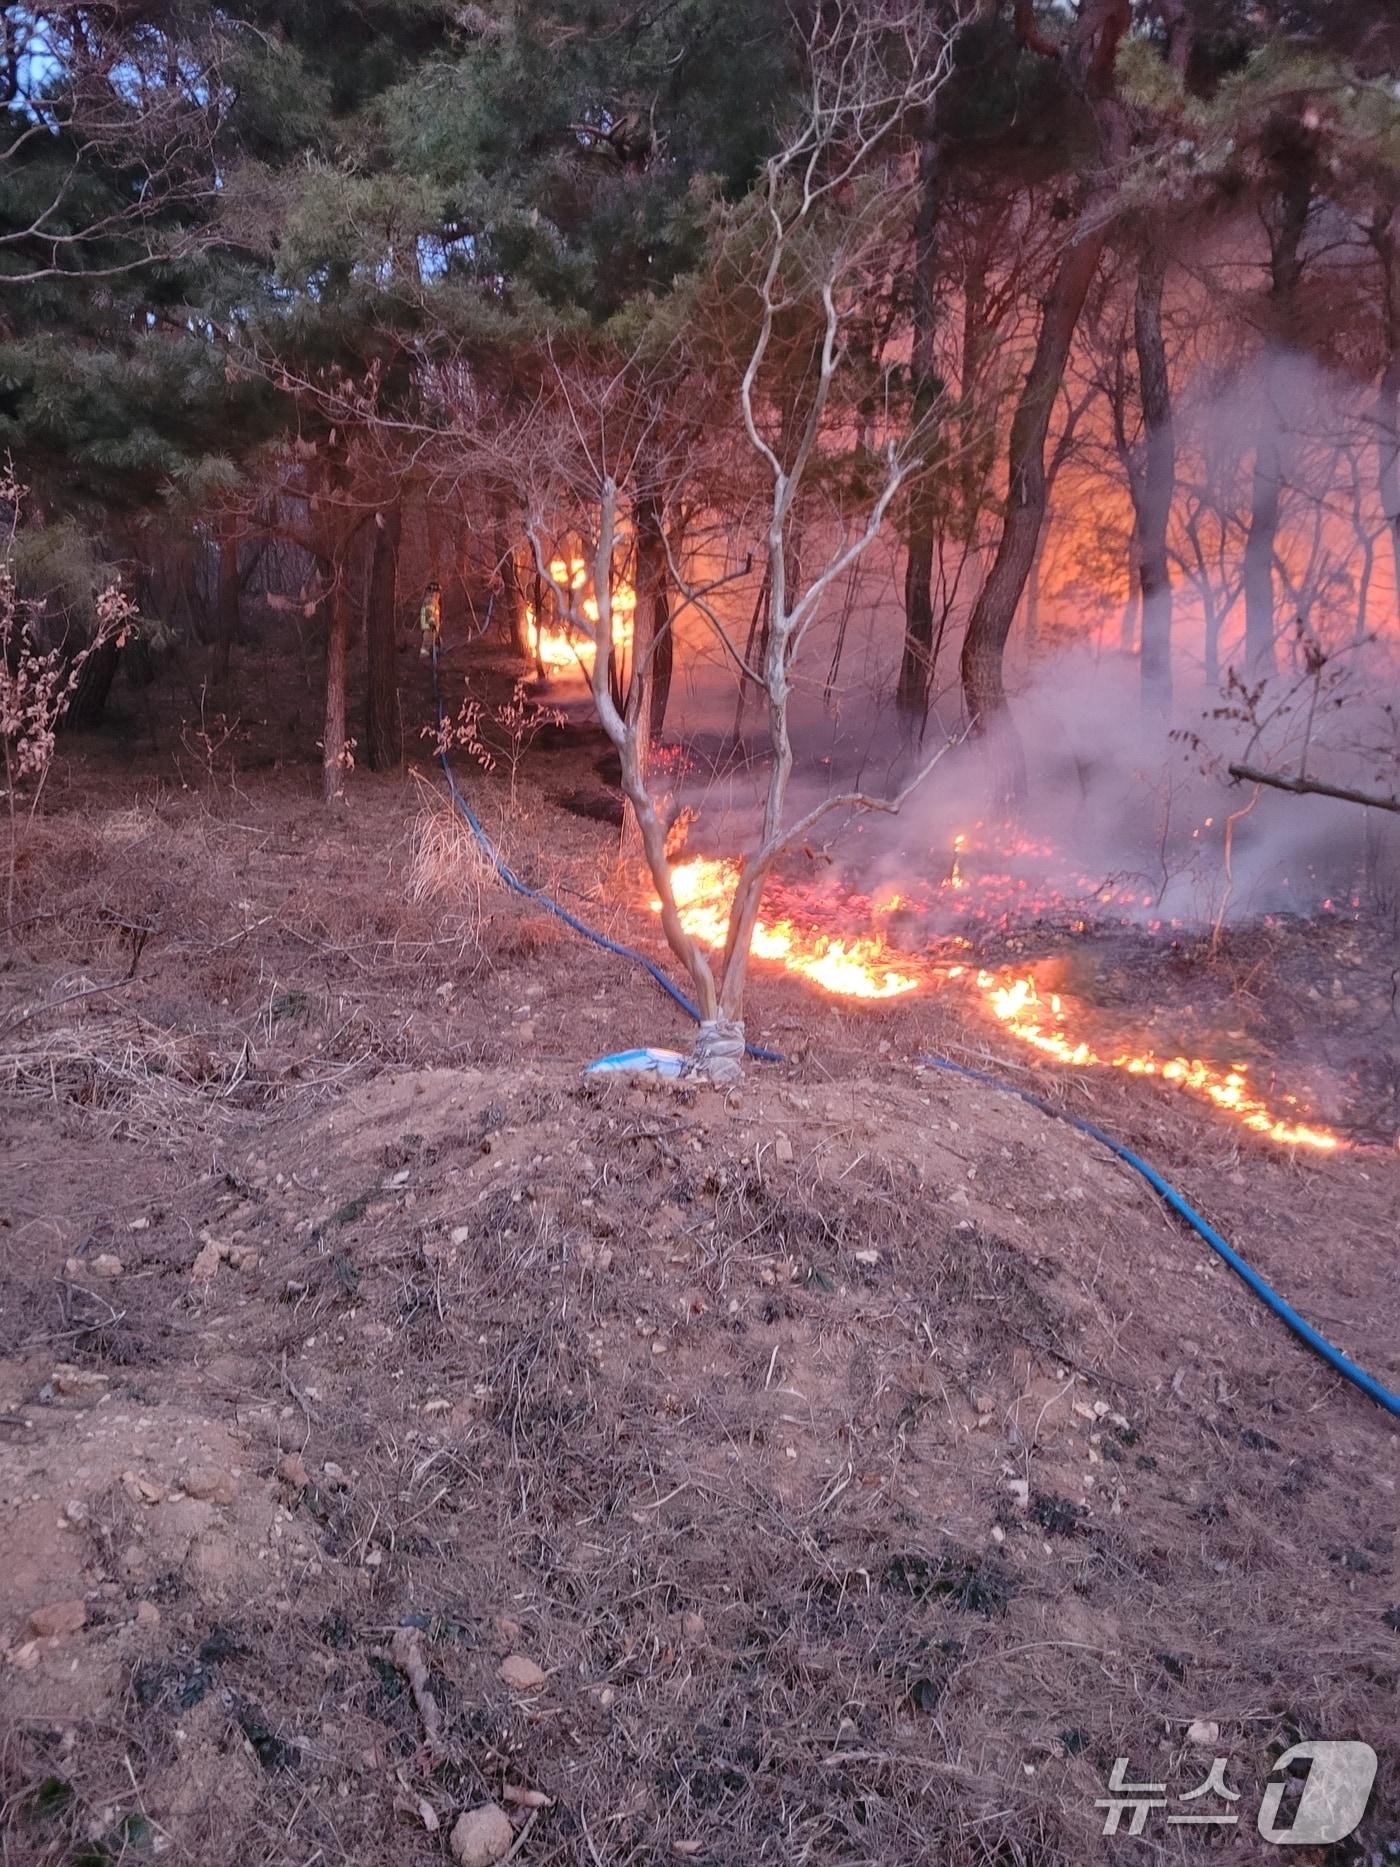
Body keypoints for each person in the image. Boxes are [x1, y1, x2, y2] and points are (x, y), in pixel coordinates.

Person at [418, 580, 442, 660]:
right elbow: (429, 612)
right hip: (429, 628)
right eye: (438, 592)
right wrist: (432, 623)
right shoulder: (431, 601)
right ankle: (424, 660)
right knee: (426, 646)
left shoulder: (432, 601)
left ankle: (433, 657)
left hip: (431, 629)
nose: (439, 594)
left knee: (433, 643)